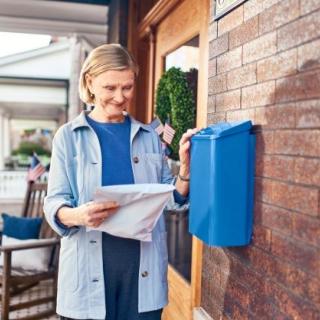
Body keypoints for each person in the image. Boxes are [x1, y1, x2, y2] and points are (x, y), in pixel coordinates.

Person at [44, 43, 198, 320]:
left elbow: (171, 201)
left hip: (142, 279)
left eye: (127, 87)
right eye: (110, 88)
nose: (119, 97)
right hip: (86, 281)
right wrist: (78, 215)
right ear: (90, 82)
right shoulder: (68, 137)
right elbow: (55, 202)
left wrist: (185, 170)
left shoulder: (150, 136)